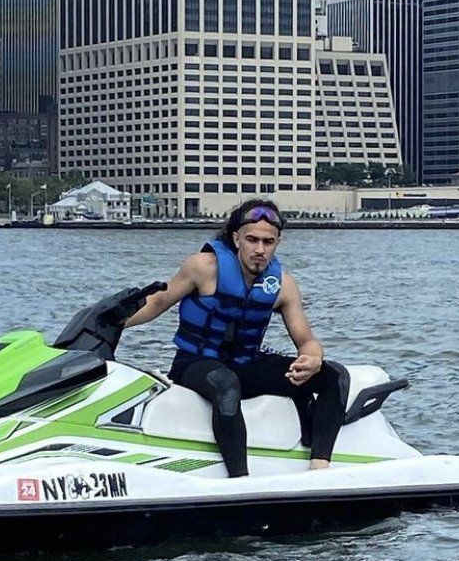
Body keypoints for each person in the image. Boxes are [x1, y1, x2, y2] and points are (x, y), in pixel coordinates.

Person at [123, 198, 346, 478]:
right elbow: (157, 303)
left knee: (334, 376)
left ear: (278, 242)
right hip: (195, 364)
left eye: (268, 242)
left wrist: (313, 358)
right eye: (252, 240)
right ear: (236, 238)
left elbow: (306, 339)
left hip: (245, 365)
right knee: (225, 384)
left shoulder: (283, 285)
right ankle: (239, 479)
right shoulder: (204, 267)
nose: (260, 249)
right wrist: (112, 322)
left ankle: (320, 470)